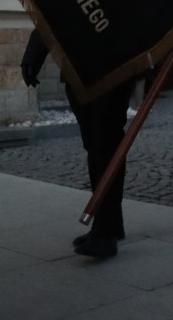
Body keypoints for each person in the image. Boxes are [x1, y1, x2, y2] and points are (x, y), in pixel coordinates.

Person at [21, 29, 134, 256]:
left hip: (114, 63)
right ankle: (110, 222)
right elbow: (54, 3)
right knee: (94, 146)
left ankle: (105, 230)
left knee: (106, 144)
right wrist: (35, 51)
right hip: (77, 66)